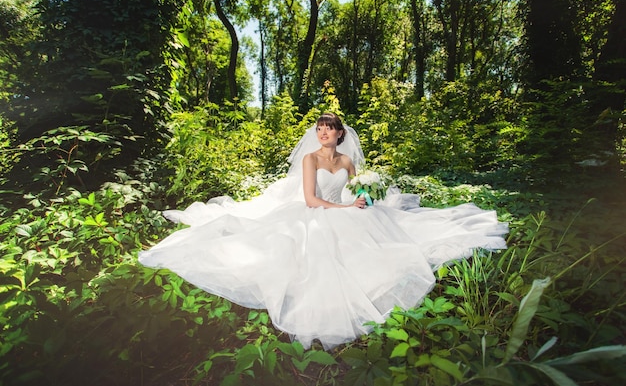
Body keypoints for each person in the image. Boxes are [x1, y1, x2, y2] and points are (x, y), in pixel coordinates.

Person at [138, 113, 508, 350]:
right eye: (319, 129)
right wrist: (346, 207)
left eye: (328, 129)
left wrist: (366, 197)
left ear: (340, 134)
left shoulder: (347, 160)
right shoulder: (309, 159)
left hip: (348, 210)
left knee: (384, 236)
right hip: (317, 213)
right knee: (315, 250)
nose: (323, 134)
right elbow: (311, 200)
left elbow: (360, 190)